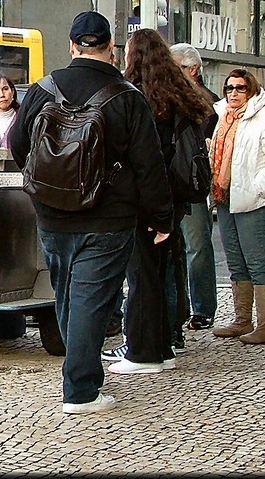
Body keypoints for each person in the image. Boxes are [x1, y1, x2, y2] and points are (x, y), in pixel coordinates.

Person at [9, 11, 173, 414]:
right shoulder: (128, 97)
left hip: (52, 214)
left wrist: (44, 185)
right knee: (89, 301)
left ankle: (78, 370)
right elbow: (149, 166)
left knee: (67, 294)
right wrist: (161, 217)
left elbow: (16, 143)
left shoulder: (43, 90)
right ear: (111, 48)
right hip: (108, 218)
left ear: (71, 46)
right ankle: (81, 390)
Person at [103, 29, 214, 375]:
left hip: (148, 199)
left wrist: (153, 208)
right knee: (165, 270)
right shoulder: (178, 94)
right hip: (177, 196)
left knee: (142, 276)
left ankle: (143, 350)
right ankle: (163, 343)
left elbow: (147, 161)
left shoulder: (140, 99)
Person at [210, 68, 265, 344]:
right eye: (229, 87)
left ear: (251, 89)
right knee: (235, 261)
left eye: (240, 87)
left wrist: (257, 189)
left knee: (256, 261)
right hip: (225, 195)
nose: (233, 93)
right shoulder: (221, 114)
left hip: (254, 198)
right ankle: (242, 320)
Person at [170, 43, 221, 331]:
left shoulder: (207, 104)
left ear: (193, 70)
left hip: (192, 182)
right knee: (177, 249)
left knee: (197, 245)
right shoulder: (171, 97)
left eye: (177, 68)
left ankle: (203, 307)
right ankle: (182, 306)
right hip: (173, 183)